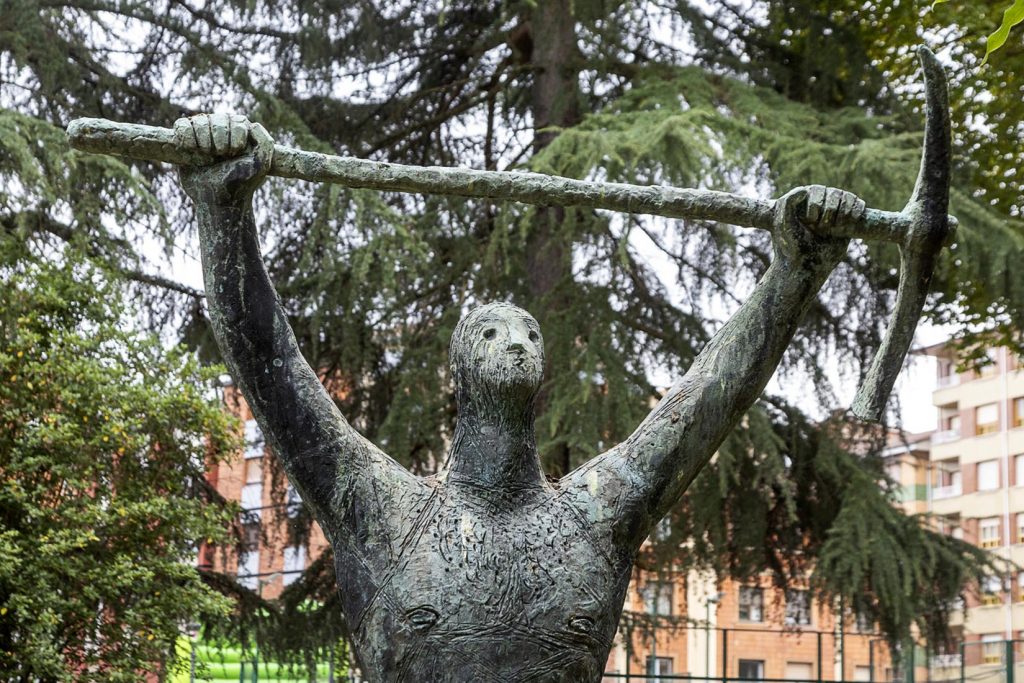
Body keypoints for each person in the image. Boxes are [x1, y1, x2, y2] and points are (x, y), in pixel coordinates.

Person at [178, 113, 863, 682]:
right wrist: (223, 208)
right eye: (493, 333)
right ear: (459, 367)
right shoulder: (382, 509)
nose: (516, 343)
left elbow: (710, 394)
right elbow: (273, 367)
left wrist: (798, 267)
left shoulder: (596, 517)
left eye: (530, 334)